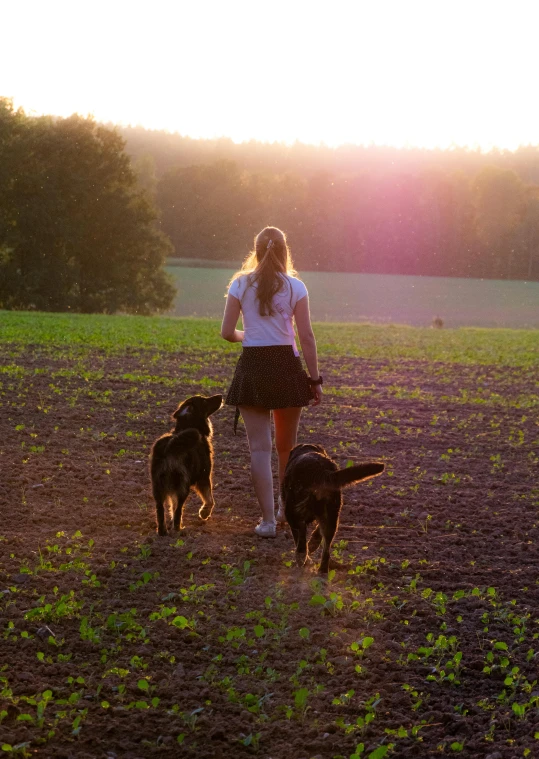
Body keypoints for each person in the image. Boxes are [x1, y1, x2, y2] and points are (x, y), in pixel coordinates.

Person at [221, 226, 323, 538]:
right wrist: (315, 380)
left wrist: (246, 335)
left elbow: (227, 332)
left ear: (255, 250)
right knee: (286, 450)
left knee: (259, 452)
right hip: (286, 368)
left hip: (252, 368)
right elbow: (305, 336)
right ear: (284, 250)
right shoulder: (296, 287)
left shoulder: (240, 284)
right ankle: (283, 510)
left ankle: (267, 522)